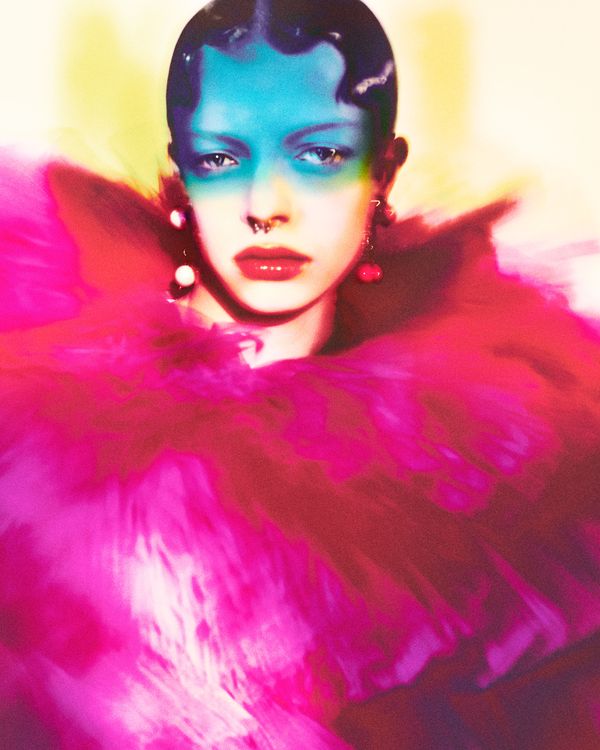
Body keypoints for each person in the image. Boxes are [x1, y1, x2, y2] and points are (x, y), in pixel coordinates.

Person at [0, 0, 599, 748]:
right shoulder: (44, 427)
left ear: (384, 172)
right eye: (222, 160)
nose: (266, 208)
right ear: (182, 171)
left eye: (319, 156)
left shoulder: (497, 448)